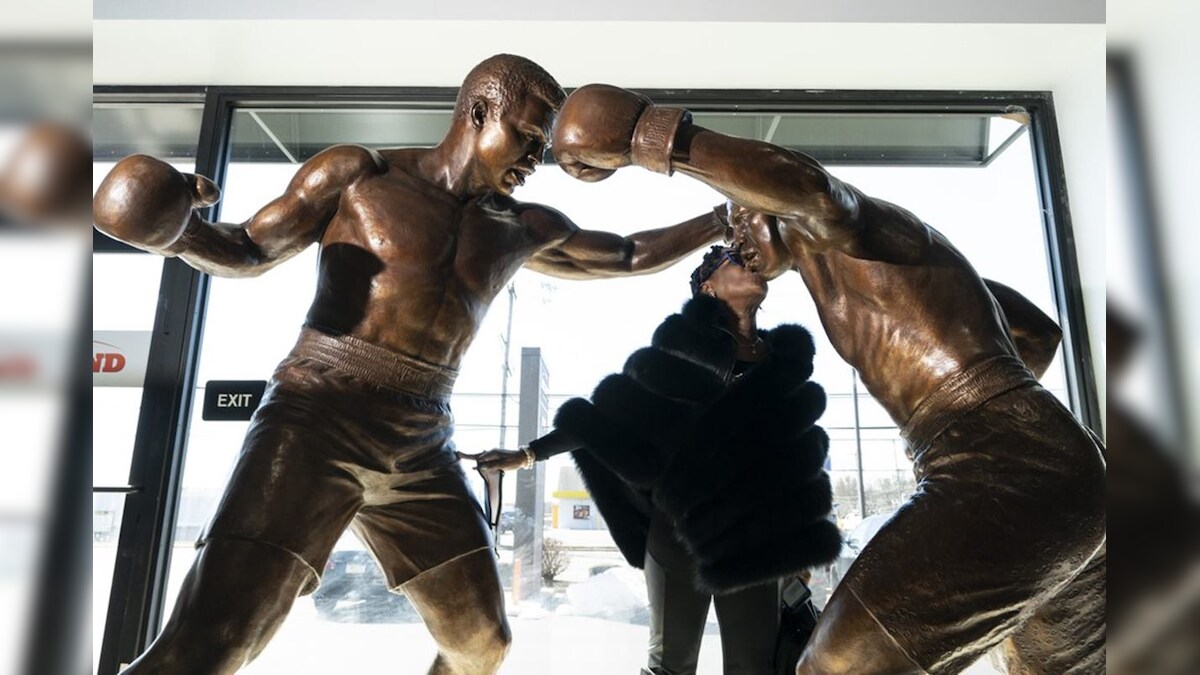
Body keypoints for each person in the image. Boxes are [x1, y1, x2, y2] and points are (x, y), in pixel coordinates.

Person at [91, 57, 727, 675]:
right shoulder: (360, 175)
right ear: (480, 111)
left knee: (482, 645)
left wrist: (723, 218)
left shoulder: (520, 225)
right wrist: (176, 233)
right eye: (529, 136)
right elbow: (249, 246)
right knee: (215, 643)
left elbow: (626, 254)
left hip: (422, 442)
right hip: (316, 419)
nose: (538, 157)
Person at [549, 84, 1106, 674]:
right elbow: (1038, 334)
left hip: (1000, 466)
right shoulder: (900, 269)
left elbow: (812, 190)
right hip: (1067, 471)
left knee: (833, 667)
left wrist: (646, 132)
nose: (735, 241)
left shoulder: (843, 225)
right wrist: (1004, 418)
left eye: (740, 222)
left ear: (769, 198)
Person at [465, 245, 840, 675]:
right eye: (735, 262)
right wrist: (527, 454)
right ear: (708, 287)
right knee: (671, 666)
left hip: (754, 537)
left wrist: (799, 550)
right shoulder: (673, 354)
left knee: (753, 667)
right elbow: (602, 421)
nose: (751, 265)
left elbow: (797, 468)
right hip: (678, 531)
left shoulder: (785, 367)